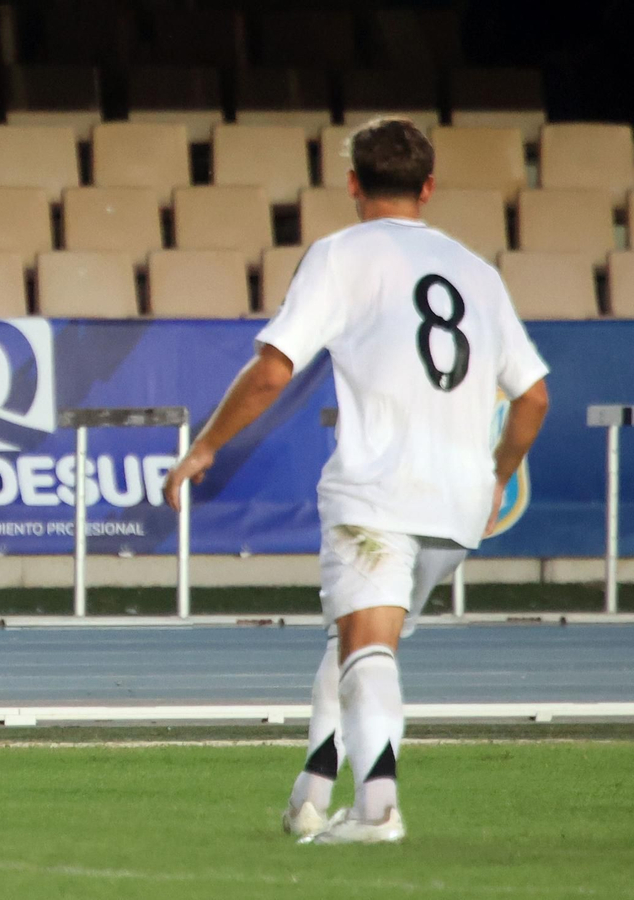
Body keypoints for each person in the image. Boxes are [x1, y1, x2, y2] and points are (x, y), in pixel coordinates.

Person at [163, 118, 551, 845]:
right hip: (459, 502)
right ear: (428, 187)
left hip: (379, 489)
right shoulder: (477, 272)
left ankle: (377, 811)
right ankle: (310, 796)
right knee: (358, 642)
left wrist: (205, 447)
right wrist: (498, 473)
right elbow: (532, 398)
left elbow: (274, 369)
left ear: (352, 184)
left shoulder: (341, 255)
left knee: (366, 647)